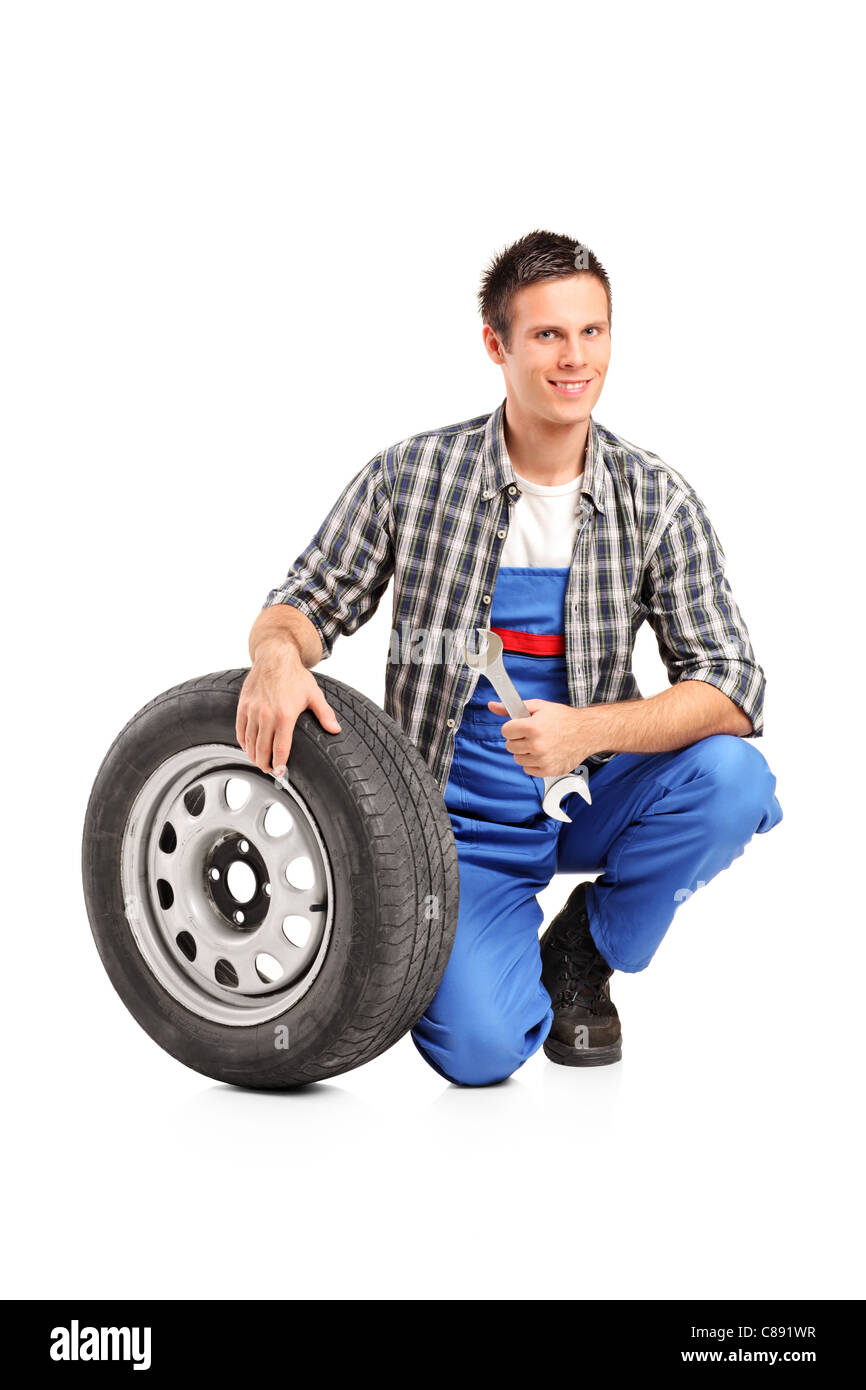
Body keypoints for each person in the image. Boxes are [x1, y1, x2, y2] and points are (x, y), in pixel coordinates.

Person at [236, 229, 783, 1087]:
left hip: (590, 791)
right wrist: (274, 655)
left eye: (592, 332)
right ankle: (484, 940)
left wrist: (586, 732)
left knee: (735, 780)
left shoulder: (657, 500)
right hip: (458, 827)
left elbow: (735, 688)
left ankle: (584, 945)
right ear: (497, 345)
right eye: (548, 335)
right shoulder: (410, 477)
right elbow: (305, 603)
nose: (575, 358)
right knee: (482, 1052)